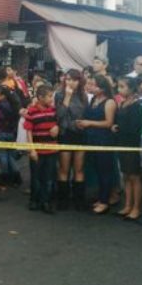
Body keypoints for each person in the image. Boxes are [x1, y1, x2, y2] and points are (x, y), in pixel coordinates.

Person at [76, 75, 117, 214]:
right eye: (89, 84)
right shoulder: (93, 99)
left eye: (94, 85)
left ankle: (105, 201)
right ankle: (101, 197)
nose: (90, 87)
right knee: (97, 170)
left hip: (104, 140)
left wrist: (89, 123)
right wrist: (82, 123)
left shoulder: (109, 102)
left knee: (105, 170)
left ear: (103, 87)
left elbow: (108, 123)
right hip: (91, 138)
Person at [54, 69, 88, 211]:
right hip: (65, 133)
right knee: (64, 168)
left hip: (80, 133)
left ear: (79, 81)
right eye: (68, 79)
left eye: (74, 80)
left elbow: (86, 114)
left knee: (79, 168)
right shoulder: (59, 94)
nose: (71, 82)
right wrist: (67, 97)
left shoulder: (84, 96)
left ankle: (79, 200)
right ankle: (63, 199)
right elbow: (59, 115)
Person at [23, 85, 59, 214]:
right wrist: (31, 149)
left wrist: (57, 128)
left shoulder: (54, 110)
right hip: (37, 150)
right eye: (49, 96)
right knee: (36, 177)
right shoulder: (32, 111)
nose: (51, 99)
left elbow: (58, 123)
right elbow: (28, 131)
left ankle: (46, 201)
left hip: (52, 150)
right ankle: (34, 200)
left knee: (48, 177)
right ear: (40, 97)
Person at [113, 77, 142, 221]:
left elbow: (135, 127)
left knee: (134, 176)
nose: (119, 90)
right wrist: (115, 126)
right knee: (125, 175)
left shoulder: (136, 105)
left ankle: (136, 207)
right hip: (122, 143)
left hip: (132, 144)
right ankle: (127, 204)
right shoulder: (123, 102)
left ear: (131, 88)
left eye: (123, 87)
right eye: (119, 87)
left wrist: (119, 128)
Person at [0, 85, 22, 188]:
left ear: (2, 96)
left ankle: (4, 179)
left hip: (1, 133)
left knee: (3, 157)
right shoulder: (14, 106)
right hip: (12, 133)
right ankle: (16, 178)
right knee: (11, 156)